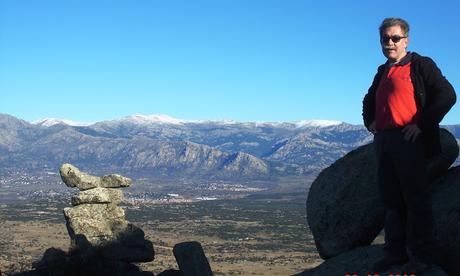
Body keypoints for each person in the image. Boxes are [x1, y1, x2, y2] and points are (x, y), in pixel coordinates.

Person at [362, 17, 456, 273]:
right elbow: (369, 98)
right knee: (392, 200)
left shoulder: (420, 65)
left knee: (415, 200)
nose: (389, 43)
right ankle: (395, 252)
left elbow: (447, 95)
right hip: (384, 141)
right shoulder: (383, 70)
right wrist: (370, 121)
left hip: (409, 140)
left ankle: (420, 256)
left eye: (395, 38)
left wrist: (422, 125)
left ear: (406, 40)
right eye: (385, 39)